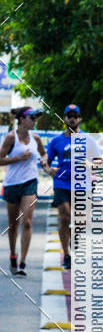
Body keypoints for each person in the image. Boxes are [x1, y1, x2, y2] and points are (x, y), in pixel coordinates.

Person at [0, 106, 47, 275]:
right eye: (31, 118)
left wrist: (45, 164)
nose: (34, 121)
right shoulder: (11, 137)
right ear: (22, 119)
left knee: (27, 222)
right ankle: (13, 254)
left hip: (30, 183)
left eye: (35, 118)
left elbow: (44, 155)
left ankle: (23, 262)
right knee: (14, 224)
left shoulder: (36, 138)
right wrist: (18, 158)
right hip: (12, 183)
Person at [43, 104, 84, 270]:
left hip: (82, 183)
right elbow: (46, 161)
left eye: (75, 115)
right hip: (61, 183)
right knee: (65, 216)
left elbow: (97, 160)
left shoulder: (87, 139)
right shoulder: (56, 141)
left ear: (79, 118)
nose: (72, 118)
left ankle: (75, 235)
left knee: (80, 218)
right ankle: (66, 254)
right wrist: (48, 170)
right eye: (69, 115)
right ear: (64, 118)